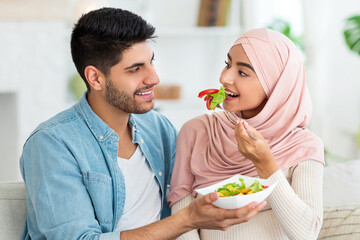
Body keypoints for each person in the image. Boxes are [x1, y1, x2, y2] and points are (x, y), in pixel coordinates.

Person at [19, 8, 266, 240]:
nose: (154, 78)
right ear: (95, 78)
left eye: (151, 62)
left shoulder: (157, 127)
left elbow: (197, 182)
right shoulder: (51, 144)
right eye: (135, 69)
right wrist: (187, 220)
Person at [168, 28, 325, 240]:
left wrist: (265, 164)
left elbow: (306, 233)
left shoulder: (304, 146)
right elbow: (181, 220)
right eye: (227, 64)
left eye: (242, 72)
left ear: (276, 86)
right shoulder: (196, 131)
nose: (224, 77)